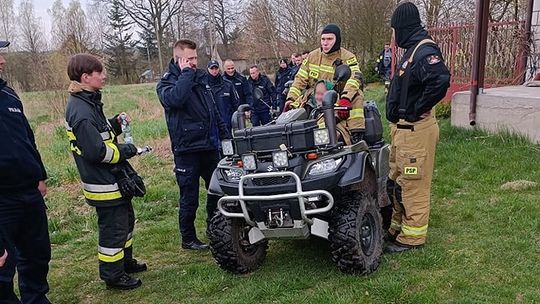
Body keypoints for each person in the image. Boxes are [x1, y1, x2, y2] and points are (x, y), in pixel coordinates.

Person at [64, 53, 147, 290]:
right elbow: (97, 152)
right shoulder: (80, 110)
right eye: (100, 72)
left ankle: (124, 263)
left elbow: (100, 134)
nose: (105, 76)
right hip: (103, 184)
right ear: (86, 77)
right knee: (114, 230)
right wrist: (129, 150)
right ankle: (113, 276)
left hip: (112, 179)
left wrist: (115, 124)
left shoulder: (88, 102)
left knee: (126, 222)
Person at [384, 1, 450, 253]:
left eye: (394, 29)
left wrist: (415, 109)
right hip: (403, 132)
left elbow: (440, 80)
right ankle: (397, 228)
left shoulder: (424, 51)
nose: (393, 35)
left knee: (413, 185)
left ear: (402, 27)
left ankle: (412, 238)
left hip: (415, 131)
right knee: (397, 182)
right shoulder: (412, 50)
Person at [156, 39, 229, 251]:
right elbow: (176, 100)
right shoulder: (167, 82)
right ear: (179, 59)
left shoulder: (201, 78)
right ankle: (188, 238)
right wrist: (186, 74)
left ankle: (215, 228)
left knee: (217, 190)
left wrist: (224, 136)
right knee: (189, 197)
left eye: (196, 58)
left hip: (208, 146)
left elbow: (212, 110)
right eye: (189, 59)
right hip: (186, 149)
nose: (194, 62)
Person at [0, 40, 52, 303]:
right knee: (2, 265)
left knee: (37, 254)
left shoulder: (9, 95)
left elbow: (27, 138)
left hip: (29, 192)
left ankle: (36, 299)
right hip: (2, 200)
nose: (3, 60)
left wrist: (39, 175)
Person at [285, 24, 365, 135]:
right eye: (323, 39)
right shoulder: (312, 57)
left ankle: (356, 134)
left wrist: (345, 99)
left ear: (337, 40)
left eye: (329, 39)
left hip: (337, 99)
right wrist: (290, 100)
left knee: (357, 96)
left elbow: (355, 78)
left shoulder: (348, 57)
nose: (325, 43)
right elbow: (299, 80)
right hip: (314, 99)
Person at [206, 60, 239, 131]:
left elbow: (236, 103)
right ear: (208, 69)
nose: (214, 71)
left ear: (219, 69)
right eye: (212, 68)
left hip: (226, 123)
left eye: (216, 68)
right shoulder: (203, 85)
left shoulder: (228, 85)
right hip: (210, 124)